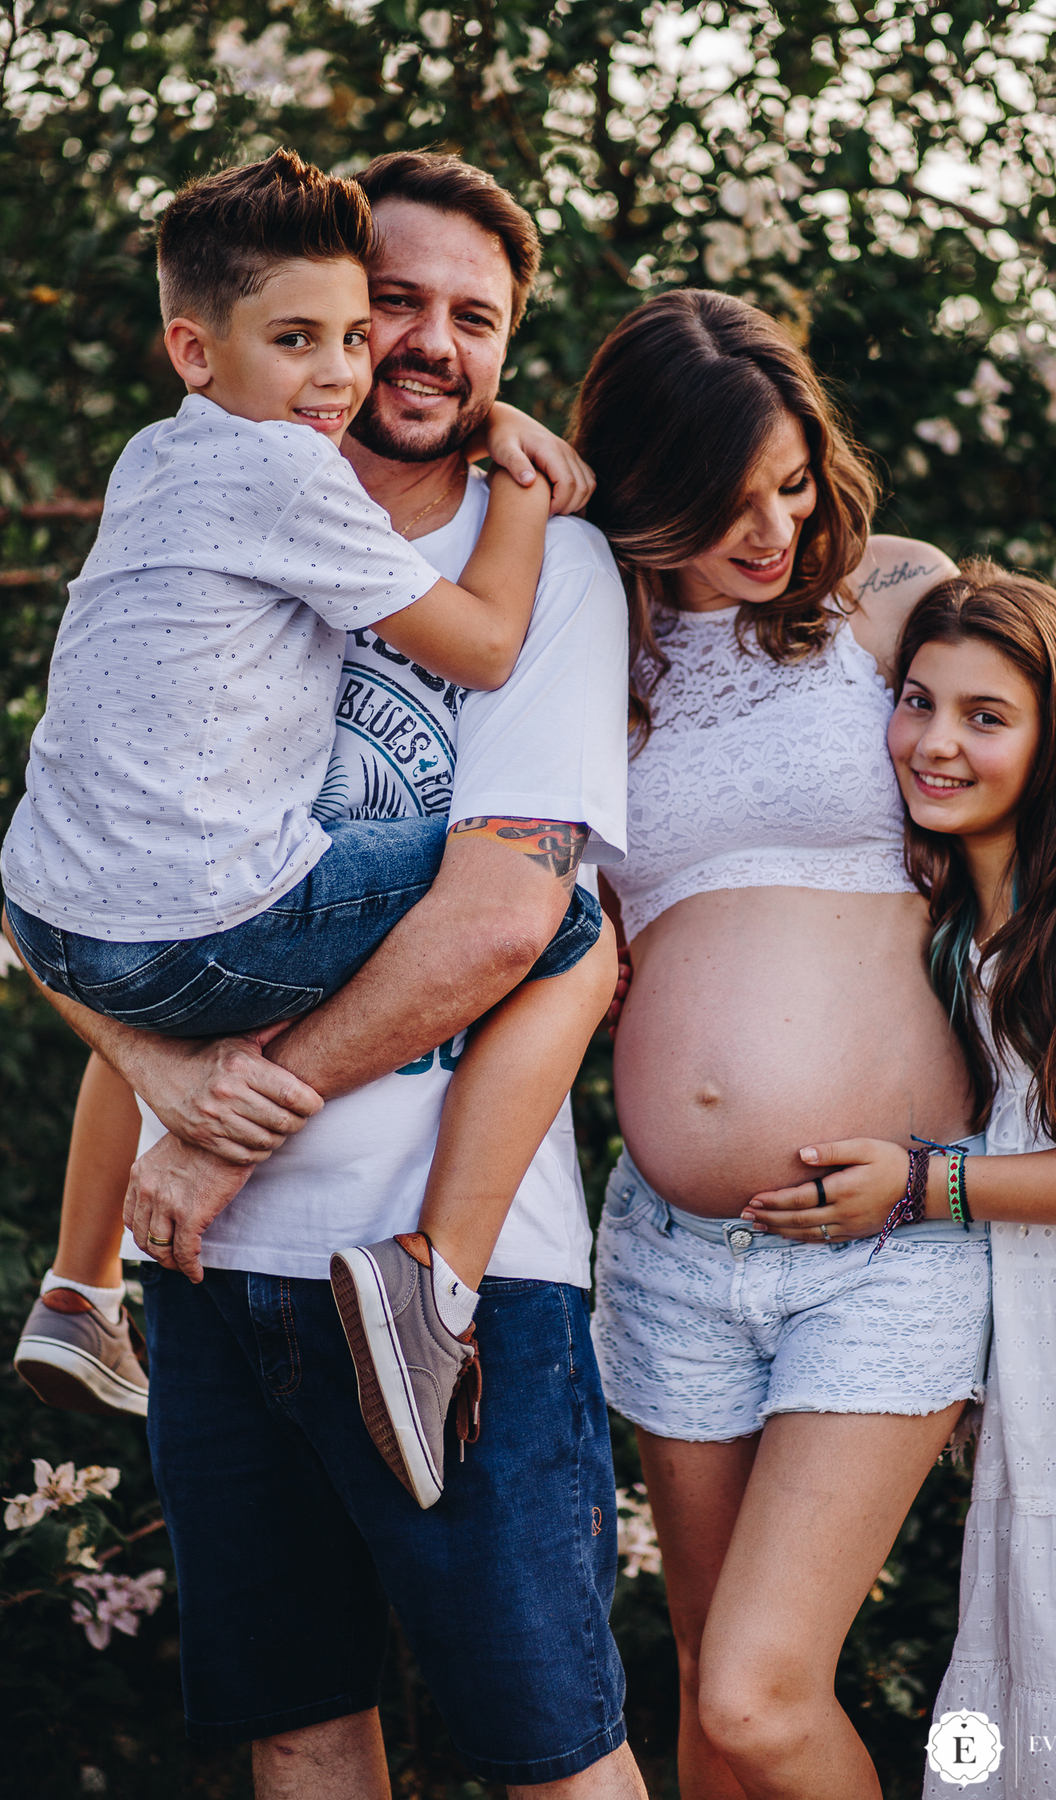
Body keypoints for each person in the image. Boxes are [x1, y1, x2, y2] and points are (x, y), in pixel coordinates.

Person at [10, 151, 646, 1799]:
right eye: (391, 309)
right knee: (299, 1735)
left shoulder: (551, 570)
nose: (420, 346)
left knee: (552, 1753)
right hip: (216, 1284)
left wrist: (213, 1127)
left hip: (456, 1279)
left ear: (507, 350)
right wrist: (166, 1085)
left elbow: (509, 911)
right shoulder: (215, 533)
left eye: (471, 319)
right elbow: (60, 880)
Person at [576, 287, 990, 1800]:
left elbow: (1032, 781)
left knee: (758, 1695)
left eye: (793, 482)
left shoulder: (893, 598)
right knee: (707, 1692)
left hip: (890, 1229)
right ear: (637, 490)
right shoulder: (577, 652)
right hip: (679, 1250)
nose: (770, 530)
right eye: (723, 499)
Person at [743, 564, 1056, 1800]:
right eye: (915, 699)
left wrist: (924, 1187)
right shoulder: (943, 904)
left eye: (986, 717)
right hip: (1043, 1356)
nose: (934, 742)